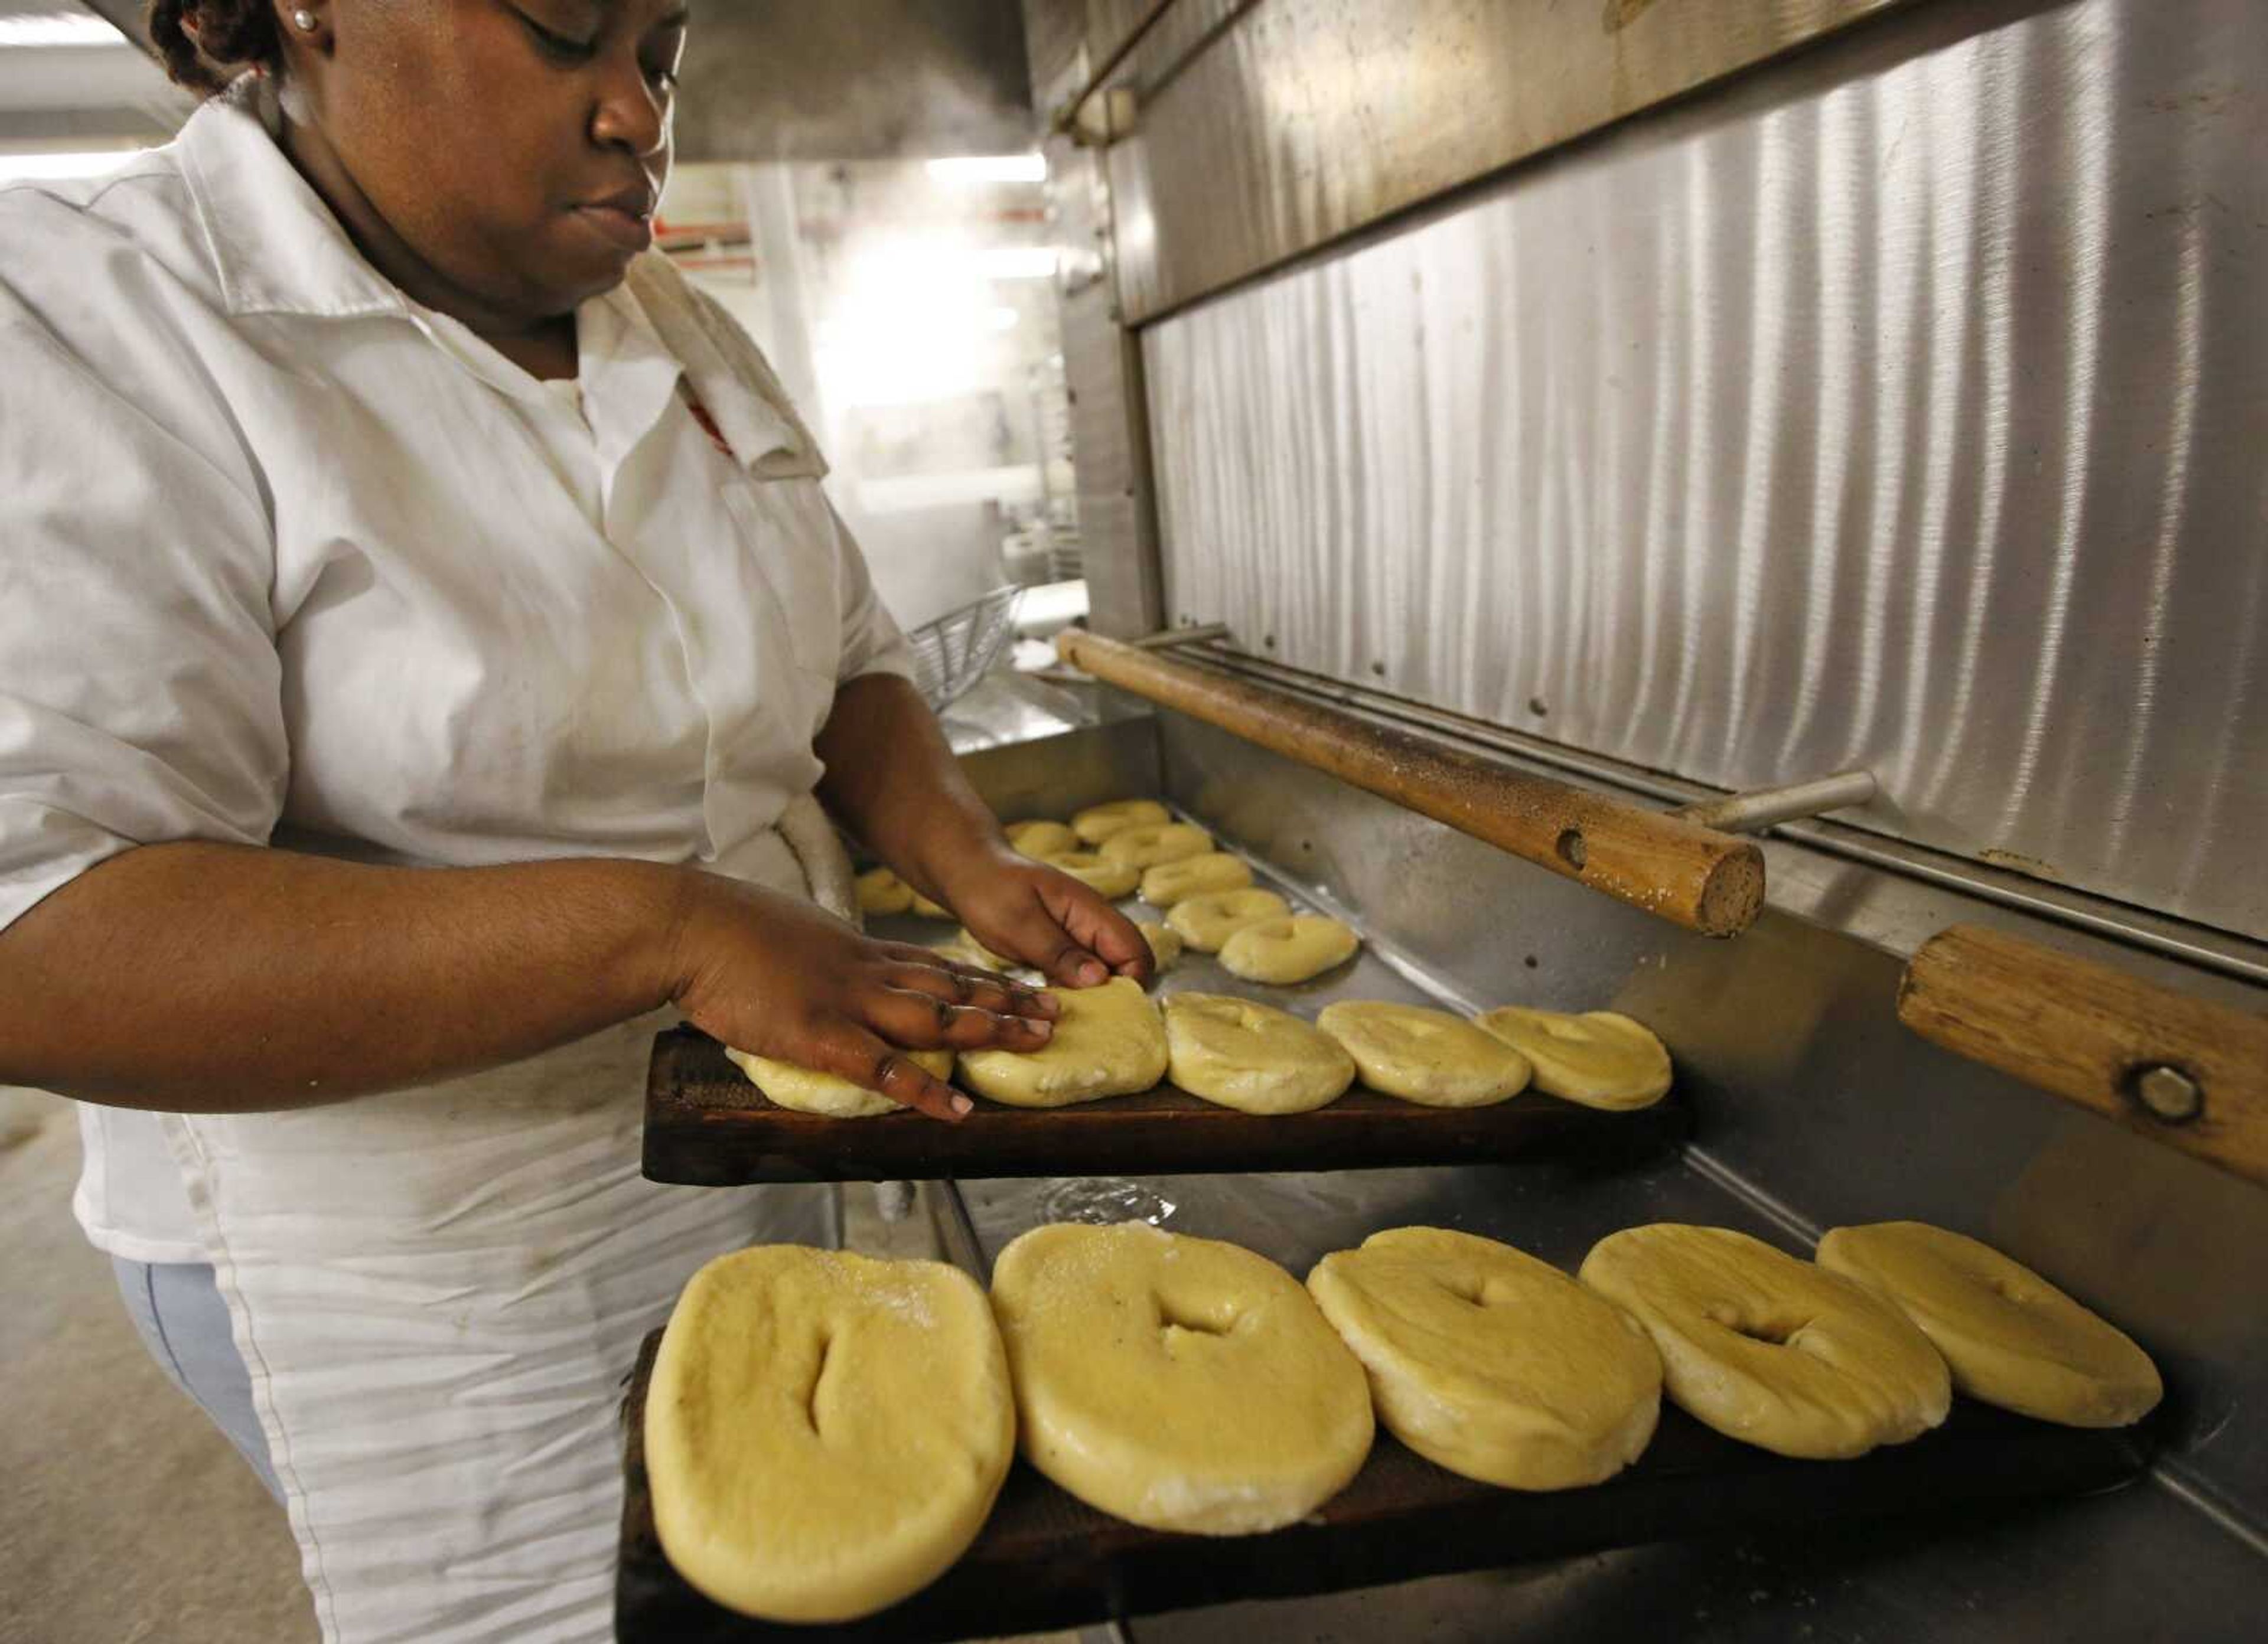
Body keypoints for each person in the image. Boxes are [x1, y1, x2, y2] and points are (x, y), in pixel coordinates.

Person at [0, 3, 1148, 1639]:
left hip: (766, 1126)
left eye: (663, 50)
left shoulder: (669, 318)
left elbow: (841, 665)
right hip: (424, 1250)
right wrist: (668, 929)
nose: (635, 113)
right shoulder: (90, 310)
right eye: (563, 33)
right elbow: (46, 937)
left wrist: (968, 861)